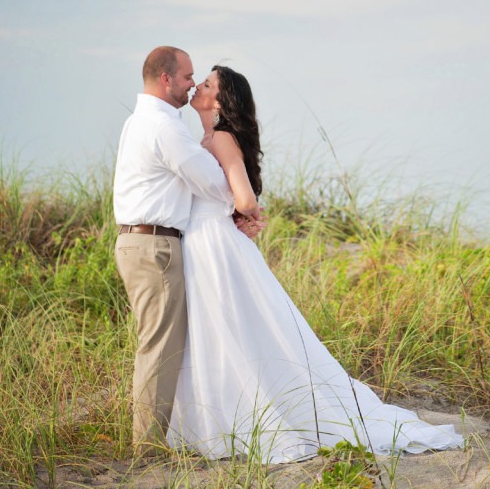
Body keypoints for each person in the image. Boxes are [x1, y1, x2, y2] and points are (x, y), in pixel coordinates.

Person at [166, 65, 465, 463]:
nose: (198, 87)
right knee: (223, 330)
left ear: (220, 102)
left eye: (206, 84)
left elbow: (244, 197)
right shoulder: (206, 138)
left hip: (215, 247)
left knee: (227, 328)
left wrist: (244, 215)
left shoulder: (219, 138)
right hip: (208, 241)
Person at [113, 47, 259, 455]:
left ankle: (180, 430)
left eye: (202, 80)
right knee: (160, 346)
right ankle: (147, 446)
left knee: (175, 341)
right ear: (165, 80)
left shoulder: (139, 121)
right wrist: (240, 206)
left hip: (148, 241)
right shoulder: (165, 127)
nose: (193, 83)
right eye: (189, 76)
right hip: (154, 245)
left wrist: (237, 205)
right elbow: (211, 181)